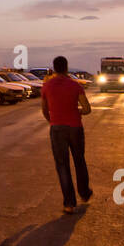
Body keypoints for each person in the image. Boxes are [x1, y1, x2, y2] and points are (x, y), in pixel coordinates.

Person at [40, 55, 93, 213]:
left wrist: (53, 121)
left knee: (62, 165)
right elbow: (87, 109)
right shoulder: (75, 85)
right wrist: (78, 111)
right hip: (75, 127)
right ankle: (84, 193)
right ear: (66, 67)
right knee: (79, 160)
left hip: (57, 129)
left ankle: (69, 203)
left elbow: (44, 109)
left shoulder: (47, 86)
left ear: (54, 68)